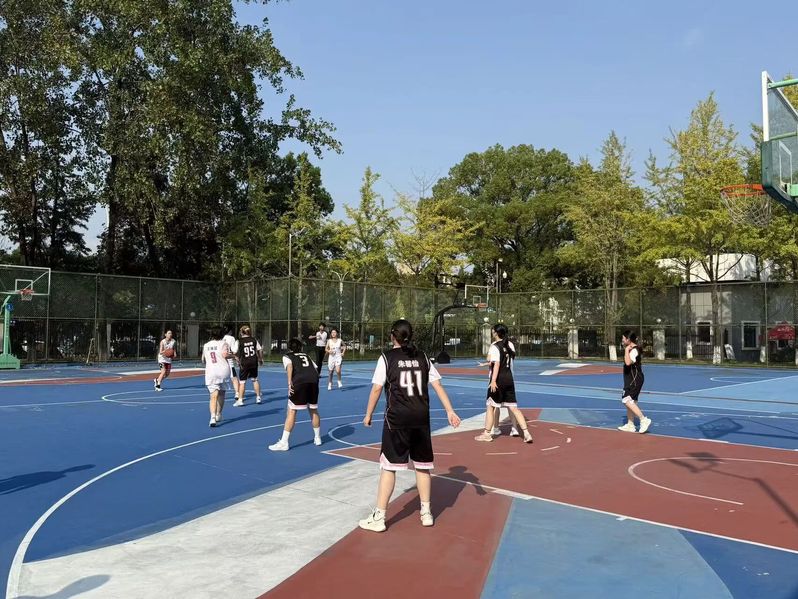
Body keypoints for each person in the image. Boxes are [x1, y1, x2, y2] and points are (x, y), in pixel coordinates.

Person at [358, 319, 461, 533]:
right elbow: (437, 385)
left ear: (392, 336)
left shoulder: (386, 358)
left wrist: (368, 414)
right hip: (420, 418)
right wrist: (450, 411)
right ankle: (426, 513)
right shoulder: (422, 357)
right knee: (422, 465)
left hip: (397, 419)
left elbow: (376, 389)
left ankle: (379, 516)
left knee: (389, 467)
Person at [475, 324, 533, 443]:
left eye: (493, 331)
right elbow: (504, 361)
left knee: (490, 406)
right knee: (514, 408)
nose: (492, 332)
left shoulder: (494, 346)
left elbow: (496, 364)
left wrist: (493, 381)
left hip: (498, 379)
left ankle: (487, 433)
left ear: (496, 333)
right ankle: (526, 433)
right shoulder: (509, 345)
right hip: (509, 378)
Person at [269, 338, 322, 450]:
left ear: (289, 348)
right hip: (313, 381)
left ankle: (284, 442)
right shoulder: (306, 356)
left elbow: (290, 366)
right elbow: (315, 369)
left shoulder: (287, 356)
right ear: (300, 347)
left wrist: (289, 382)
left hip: (300, 382)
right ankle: (317, 438)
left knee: (292, 411)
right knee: (313, 409)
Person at [618, 330, 652, 434]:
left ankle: (643, 419)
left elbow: (628, 362)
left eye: (623, 338)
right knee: (631, 402)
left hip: (634, 379)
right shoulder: (632, 349)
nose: (622, 340)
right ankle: (630, 424)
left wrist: (626, 351)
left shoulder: (634, 350)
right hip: (632, 378)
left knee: (626, 400)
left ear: (628, 339)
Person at [202, 327, 233, 428]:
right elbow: (225, 355)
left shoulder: (206, 345)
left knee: (213, 396)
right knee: (222, 393)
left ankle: (212, 417)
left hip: (211, 371)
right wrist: (235, 356)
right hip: (223, 371)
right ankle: (218, 414)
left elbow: (203, 360)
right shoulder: (224, 344)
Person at [234, 325, 263, 406]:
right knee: (255, 379)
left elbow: (234, 352)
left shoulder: (239, 341)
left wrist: (237, 359)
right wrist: (260, 359)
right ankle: (258, 397)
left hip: (244, 363)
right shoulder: (254, 340)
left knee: (242, 382)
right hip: (253, 362)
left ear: (241, 332)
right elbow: (260, 350)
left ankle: (240, 400)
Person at [222, 327, 240, 402]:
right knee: (234, 378)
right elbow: (234, 350)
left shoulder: (221, 338)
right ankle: (237, 393)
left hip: (221, 361)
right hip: (229, 360)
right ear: (229, 331)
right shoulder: (231, 338)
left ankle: (219, 394)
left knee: (221, 378)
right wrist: (237, 343)